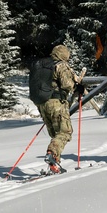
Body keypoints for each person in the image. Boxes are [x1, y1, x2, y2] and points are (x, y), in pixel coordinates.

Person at [36, 44, 82, 174]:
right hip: (56, 102)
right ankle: (52, 154)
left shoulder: (43, 65)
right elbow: (67, 84)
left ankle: (54, 163)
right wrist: (77, 87)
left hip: (42, 103)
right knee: (65, 132)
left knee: (56, 134)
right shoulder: (61, 65)